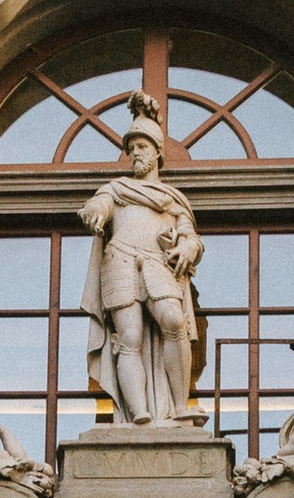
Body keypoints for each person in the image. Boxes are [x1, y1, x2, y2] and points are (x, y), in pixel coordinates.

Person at [78, 105, 206, 426]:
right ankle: (138, 413)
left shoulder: (172, 197)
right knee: (130, 337)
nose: (135, 153)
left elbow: (191, 236)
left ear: (158, 152)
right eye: (131, 148)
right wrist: (93, 211)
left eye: (142, 147)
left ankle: (179, 405)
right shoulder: (116, 188)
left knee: (175, 322)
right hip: (119, 260)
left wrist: (188, 247)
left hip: (157, 264)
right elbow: (99, 204)